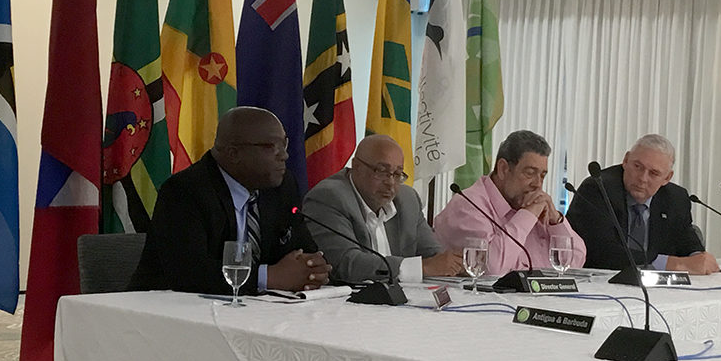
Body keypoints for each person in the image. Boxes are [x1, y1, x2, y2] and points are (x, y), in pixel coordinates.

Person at [131, 107, 330, 295]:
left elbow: (303, 249)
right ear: (234, 153)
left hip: (256, 309)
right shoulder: (184, 192)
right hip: (165, 310)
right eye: (271, 146)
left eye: (283, 144)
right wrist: (268, 277)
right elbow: (189, 273)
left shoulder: (282, 186)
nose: (284, 155)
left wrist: (312, 268)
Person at [302, 134, 463, 284]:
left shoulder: (408, 199)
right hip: (346, 301)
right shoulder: (329, 197)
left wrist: (457, 265)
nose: (390, 183)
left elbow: (433, 256)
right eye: (381, 171)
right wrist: (421, 268)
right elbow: (345, 263)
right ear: (356, 166)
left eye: (398, 174)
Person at [433, 130, 586, 274]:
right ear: (503, 169)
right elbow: (489, 269)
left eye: (542, 176)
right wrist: (527, 215)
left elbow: (576, 262)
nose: (538, 184)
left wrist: (555, 220)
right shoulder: (468, 206)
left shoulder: (534, 205)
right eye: (530, 173)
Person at [565, 133, 719, 274]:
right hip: (599, 281)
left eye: (654, 173)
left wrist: (698, 258)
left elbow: (687, 241)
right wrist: (670, 263)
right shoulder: (598, 188)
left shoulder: (675, 198)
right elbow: (601, 251)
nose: (642, 178)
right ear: (626, 161)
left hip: (655, 287)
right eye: (637, 167)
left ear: (667, 178)